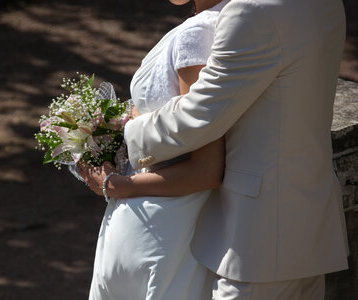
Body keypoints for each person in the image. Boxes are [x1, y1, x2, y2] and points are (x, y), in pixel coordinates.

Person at [111, 0, 349, 298]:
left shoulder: (251, 11)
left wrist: (126, 130)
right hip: (310, 225)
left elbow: (200, 114)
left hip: (256, 242)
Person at [80, 0, 231, 299]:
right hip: (150, 222)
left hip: (161, 227)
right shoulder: (211, 21)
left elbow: (206, 169)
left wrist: (115, 185)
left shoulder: (199, 33)